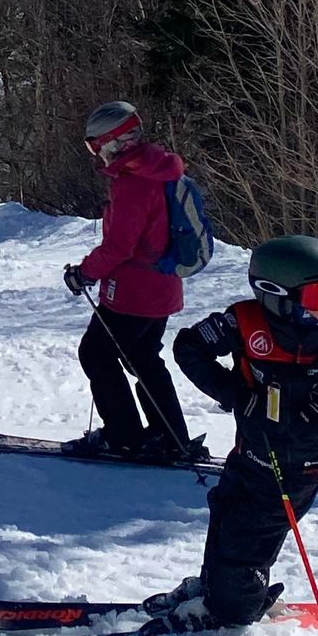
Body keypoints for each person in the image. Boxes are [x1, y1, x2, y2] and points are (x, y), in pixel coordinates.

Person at [155, 234, 318, 632]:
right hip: (252, 452)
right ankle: (214, 587)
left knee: (246, 543)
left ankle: (235, 608)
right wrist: (235, 393)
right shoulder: (244, 321)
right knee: (225, 516)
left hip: (303, 466)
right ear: (276, 295)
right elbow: (189, 347)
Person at [60, 101, 198, 463]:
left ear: (112, 142)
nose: (96, 154)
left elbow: (120, 246)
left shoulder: (134, 183)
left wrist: (84, 273)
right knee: (142, 356)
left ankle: (124, 437)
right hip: (163, 286)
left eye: (95, 146)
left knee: (96, 353)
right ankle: (171, 437)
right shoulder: (158, 169)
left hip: (135, 292)